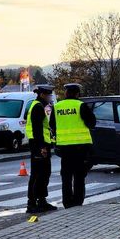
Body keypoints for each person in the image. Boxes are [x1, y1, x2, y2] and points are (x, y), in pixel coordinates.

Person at [50, 83, 96, 209]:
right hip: (80, 146)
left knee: (66, 176)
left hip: (64, 147)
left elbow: (52, 125)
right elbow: (92, 123)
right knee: (79, 176)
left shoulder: (57, 106)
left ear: (66, 93)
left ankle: (67, 202)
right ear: (77, 94)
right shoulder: (81, 105)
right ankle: (77, 201)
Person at [26, 84, 57, 213]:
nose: (50, 97)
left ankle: (41, 200)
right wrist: (42, 147)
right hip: (39, 145)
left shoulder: (37, 106)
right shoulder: (38, 107)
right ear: (42, 95)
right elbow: (37, 129)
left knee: (43, 174)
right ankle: (32, 203)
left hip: (39, 144)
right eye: (49, 95)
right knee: (38, 175)